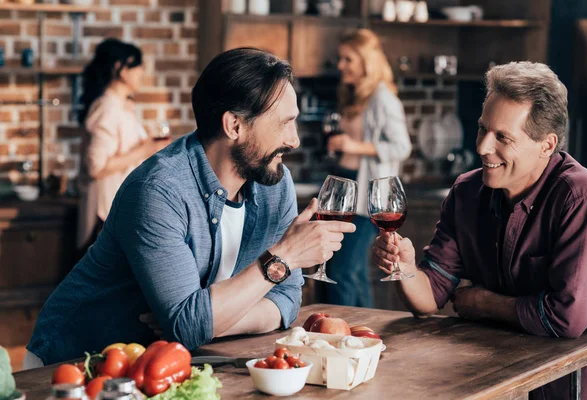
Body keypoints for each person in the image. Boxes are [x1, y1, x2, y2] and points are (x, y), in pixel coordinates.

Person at [24, 48, 355, 367]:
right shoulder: (157, 191)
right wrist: (283, 258)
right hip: (75, 364)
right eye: (285, 123)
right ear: (234, 126)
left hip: (162, 362)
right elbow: (190, 325)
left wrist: (214, 321)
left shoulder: (273, 184)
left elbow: (286, 301)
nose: (294, 140)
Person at [372, 61, 587, 399]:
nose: (482, 148)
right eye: (483, 129)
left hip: (565, 383)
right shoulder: (466, 192)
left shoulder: (579, 195)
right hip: (486, 376)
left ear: (547, 145)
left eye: (502, 137)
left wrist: (483, 302)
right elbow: (430, 298)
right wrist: (406, 272)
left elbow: (565, 318)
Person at [324, 29, 412, 307]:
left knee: (342, 270)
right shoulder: (358, 95)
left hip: (366, 193)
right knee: (355, 271)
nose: (340, 66)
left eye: (347, 59)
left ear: (366, 61)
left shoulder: (383, 98)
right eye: (340, 59)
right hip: (349, 183)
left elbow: (402, 146)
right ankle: (364, 333)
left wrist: (353, 146)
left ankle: (341, 331)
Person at [76, 38, 169, 256]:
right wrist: (145, 150)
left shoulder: (122, 106)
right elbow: (96, 167)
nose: (142, 71)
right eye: (137, 66)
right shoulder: (107, 108)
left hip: (118, 207)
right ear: (121, 69)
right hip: (103, 211)